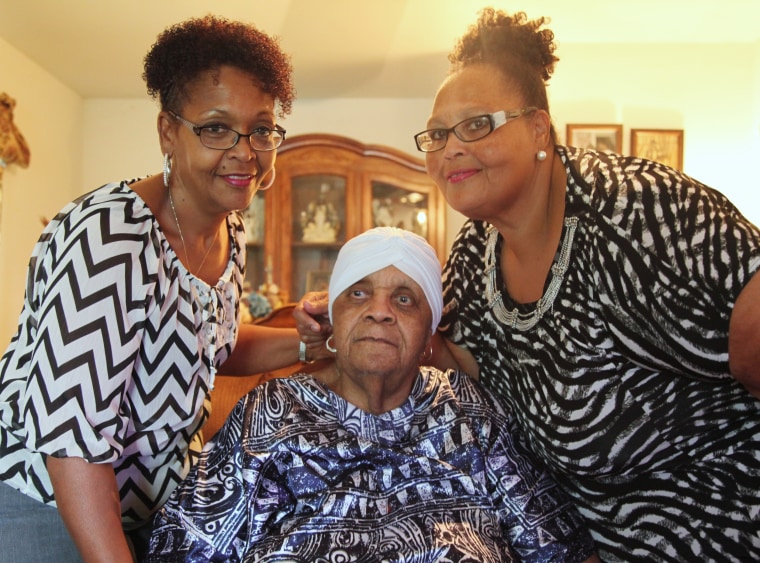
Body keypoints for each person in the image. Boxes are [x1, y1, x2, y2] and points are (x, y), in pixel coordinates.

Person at [295, 8, 760, 562]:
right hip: (579, 539)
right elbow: (453, 362)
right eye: (438, 134)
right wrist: (347, 326)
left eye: (476, 125)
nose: (450, 149)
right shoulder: (474, 253)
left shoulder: (637, 212)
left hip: (719, 523)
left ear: (539, 128)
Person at [0, 15, 300, 562]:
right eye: (215, 128)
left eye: (261, 128)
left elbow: (214, 344)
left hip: (145, 509)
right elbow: (72, 443)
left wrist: (311, 340)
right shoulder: (110, 236)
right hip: (44, 503)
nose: (245, 151)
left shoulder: (226, 229)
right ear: (168, 132)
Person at [146, 227, 599, 562]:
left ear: (428, 338)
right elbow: (185, 548)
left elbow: (559, 548)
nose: (379, 311)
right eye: (358, 294)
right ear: (333, 327)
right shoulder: (270, 413)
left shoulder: (471, 413)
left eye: (405, 299)